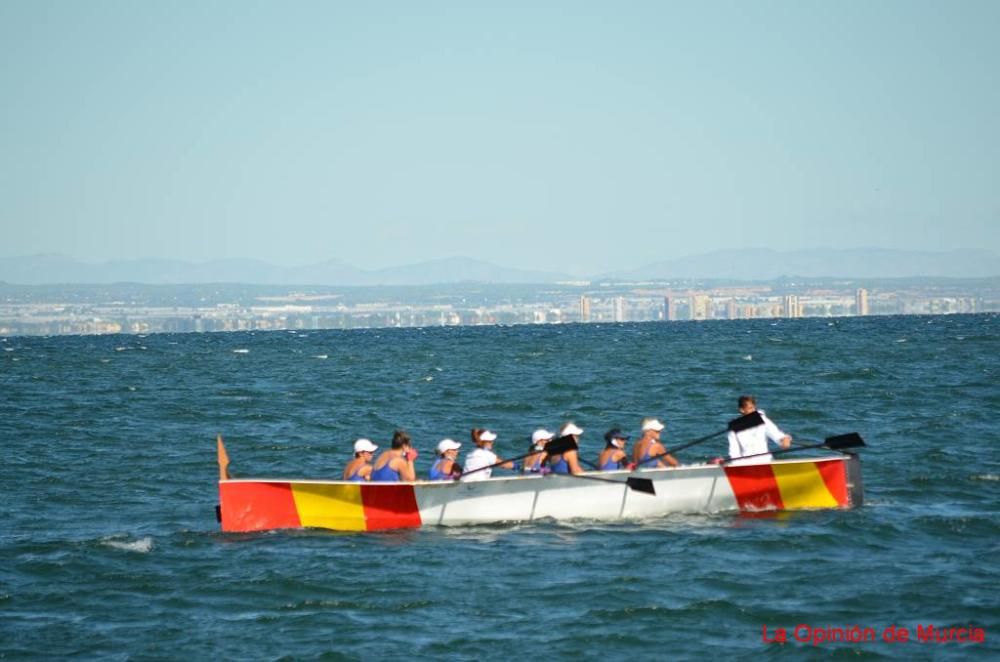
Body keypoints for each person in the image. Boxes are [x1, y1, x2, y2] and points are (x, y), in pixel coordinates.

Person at [727, 395, 792, 464]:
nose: (753, 411)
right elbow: (734, 452)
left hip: (765, 461)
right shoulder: (734, 428)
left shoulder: (762, 420)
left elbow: (776, 434)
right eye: (750, 408)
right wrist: (736, 466)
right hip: (746, 464)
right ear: (742, 410)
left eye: (754, 408)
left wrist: (783, 440)